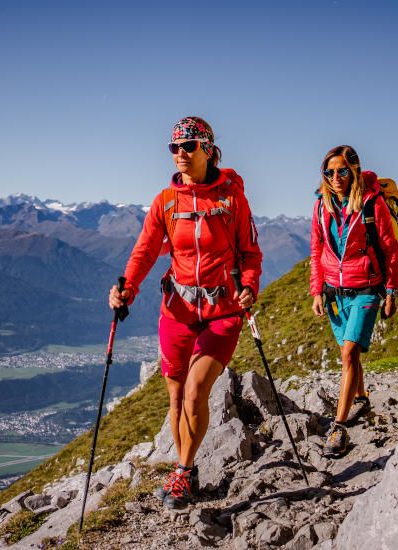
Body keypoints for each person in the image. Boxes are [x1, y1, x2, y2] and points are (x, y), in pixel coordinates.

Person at [109, 116, 262, 509]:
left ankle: (181, 471)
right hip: (176, 310)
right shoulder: (165, 202)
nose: (180, 154)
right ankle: (187, 469)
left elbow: (249, 251)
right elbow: (145, 250)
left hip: (222, 310)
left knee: (195, 392)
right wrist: (127, 287)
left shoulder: (231, 199)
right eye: (174, 147)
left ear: (208, 149)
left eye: (189, 146)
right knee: (175, 397)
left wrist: (248, 286)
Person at [307, 145, 398, 458]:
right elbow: (316, 251)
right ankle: (361, 398)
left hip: (366, 289)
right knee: (350, 353)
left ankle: (339, 426)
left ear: (354, 171)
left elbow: (390, 250)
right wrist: (316, 291)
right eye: (330, 171)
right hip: (335, 292)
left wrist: (391, 291)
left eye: (342, 171)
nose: (336, 177)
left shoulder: (373, 205)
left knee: (348, 353)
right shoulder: (321, 206)